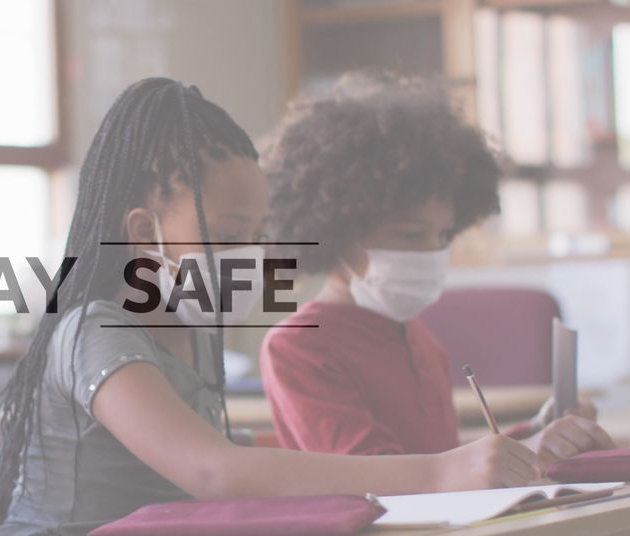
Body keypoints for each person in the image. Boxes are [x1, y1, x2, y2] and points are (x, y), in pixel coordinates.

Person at [0, 77, 539, 536]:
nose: (248, 258)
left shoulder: (193, 329)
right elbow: (212, 470)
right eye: (228, 236)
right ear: (142, 234)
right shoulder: (96, 330)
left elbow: (222, 459)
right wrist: (441, 471)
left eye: (257, 237)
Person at [259, 71, 614, 466]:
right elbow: (376, 475)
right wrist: (528, 454)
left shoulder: (414, 333)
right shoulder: (299, 346)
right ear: (337, 234)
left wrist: (534, 432)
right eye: (409, 235)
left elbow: (439, 460)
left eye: (443, 235)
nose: (431, 252)